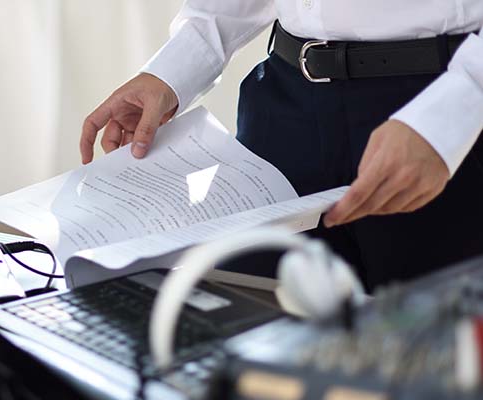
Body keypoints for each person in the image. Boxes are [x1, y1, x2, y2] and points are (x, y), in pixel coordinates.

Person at [80, 1, 483, 291]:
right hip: (283, 113)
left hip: (435, 117)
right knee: (252, 342)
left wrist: (454, 113)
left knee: (433, 363)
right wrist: (171, 71)